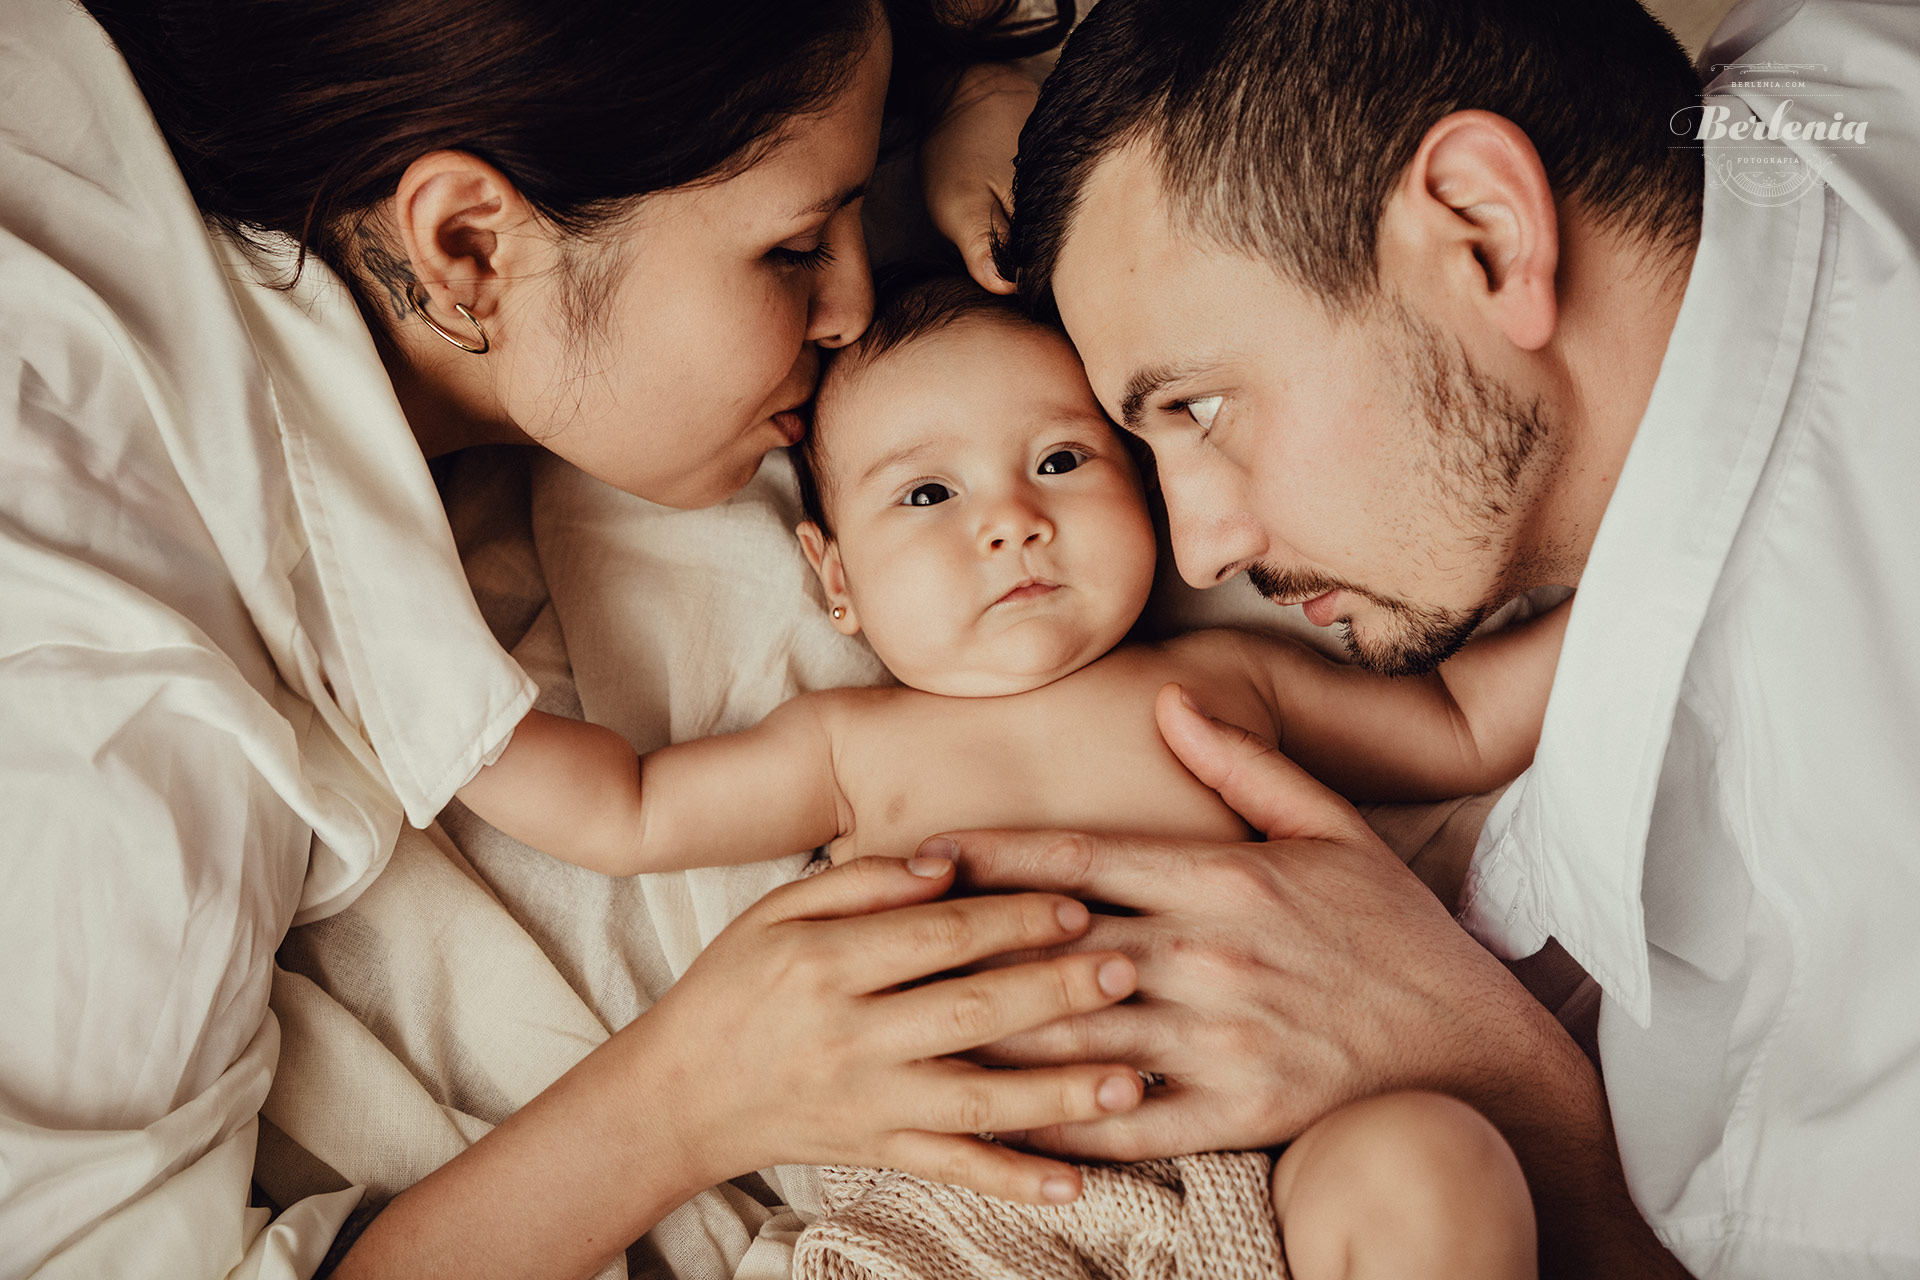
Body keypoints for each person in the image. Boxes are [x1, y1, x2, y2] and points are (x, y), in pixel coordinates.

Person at [0, 1, 1178, 1276]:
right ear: (464, 246)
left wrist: (979, 86)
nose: (850, 307)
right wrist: (692, 1093)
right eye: (792, 250)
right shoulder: (108, 713)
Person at [972, 0, 1920, 1276]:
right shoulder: (1836, 57)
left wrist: (1494, 1083)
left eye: (1200, 405)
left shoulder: (1829, 1003)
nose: (1196, 548)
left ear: (1484, 232)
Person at [460, 271, 1559, 1278]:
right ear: (835, 579)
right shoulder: (846, 745)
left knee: (1438, 1162)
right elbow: (624, 807)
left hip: (1265, 1169)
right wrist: (445, 722)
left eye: (1060, 461)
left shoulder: (1223, 679)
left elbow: (1460, 726)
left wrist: (1653, 582)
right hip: (958, 1216)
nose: (1012, 522)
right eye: (929, 495)